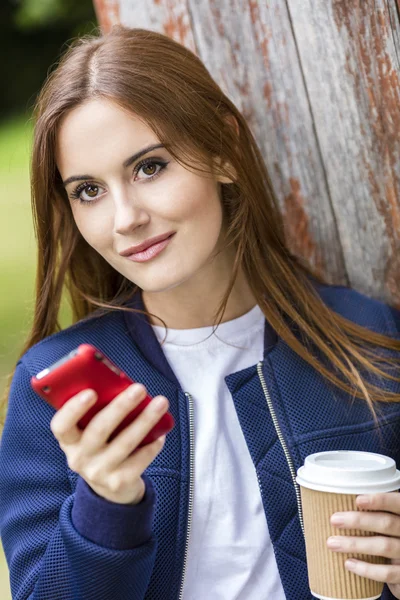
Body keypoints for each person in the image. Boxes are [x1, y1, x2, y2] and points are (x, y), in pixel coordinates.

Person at [0, 24, 400, 600]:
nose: (125, 218)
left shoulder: (369, 338)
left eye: (149, 167)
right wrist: (105, 504)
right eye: (89, 190)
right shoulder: (56, 393)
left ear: (223, 151)